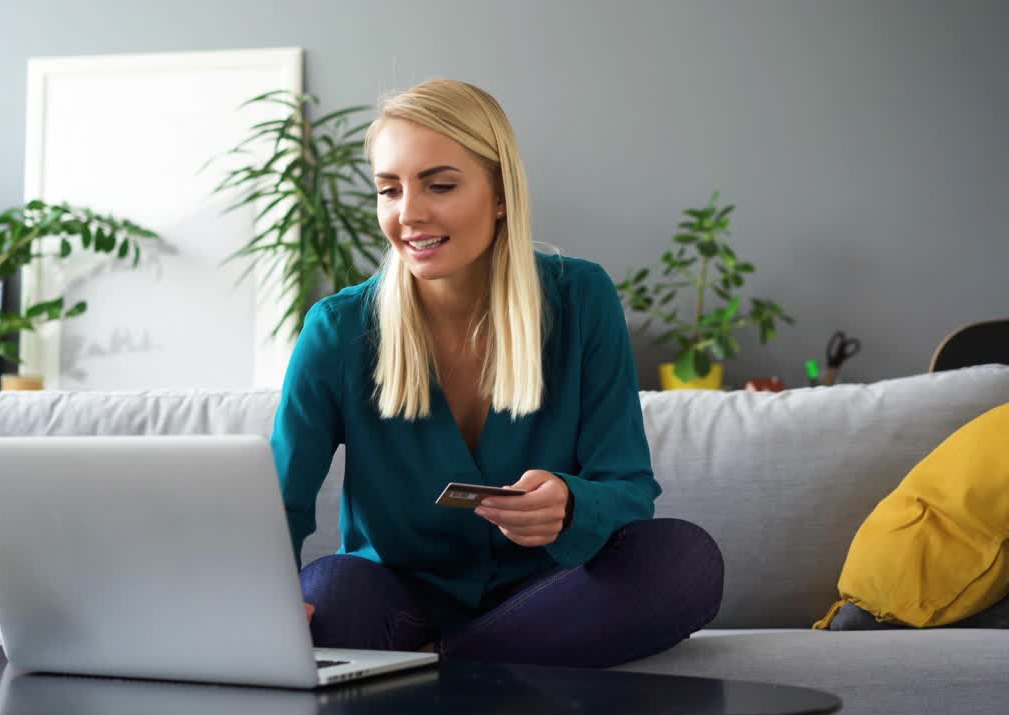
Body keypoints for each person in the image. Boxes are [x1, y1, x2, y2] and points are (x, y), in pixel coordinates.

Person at [270, 78, 723, 668]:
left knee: (684, 561)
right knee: (328, 593)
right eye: (389, 190)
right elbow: (281, 501)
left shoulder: (581, 298)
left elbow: (628, 486)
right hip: (399, 600)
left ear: (501, 193)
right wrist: (261, 601)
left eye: (440, 185)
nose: (409, 213)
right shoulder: (338, 328)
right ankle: (499, 674)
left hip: (547, 596)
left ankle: (445, 666)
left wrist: (570, 505)